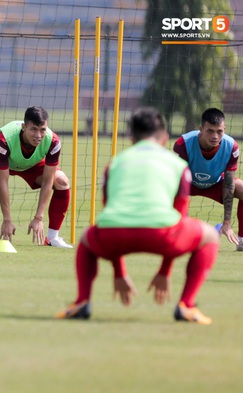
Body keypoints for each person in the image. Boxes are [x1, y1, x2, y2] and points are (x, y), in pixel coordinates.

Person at [56, 107, 220, 324]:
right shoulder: (179, 165)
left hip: (115, 235)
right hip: (162, 235)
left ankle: (82, 301)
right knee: (210, 236)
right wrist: (165, 271)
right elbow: (180, 218)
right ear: (163, 138)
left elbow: (110, 213)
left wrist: (119, 273)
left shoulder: (114, 164)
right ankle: (186, 305)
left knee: (86, 239)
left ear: (131, 138)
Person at [0, 106, 72, 248]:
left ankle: (52, 238)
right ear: (23, 127)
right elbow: (3, 181)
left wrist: (39, 218)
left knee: (61, 181)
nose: (38, 135)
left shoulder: (53, 142)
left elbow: (47, 181)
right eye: (33, 129)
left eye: (42, 130)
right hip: (4, 160)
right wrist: (7, 219)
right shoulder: (5, 138)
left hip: (32, 164)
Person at [173, 108, 243, 250]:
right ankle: (174, 230)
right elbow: (177, 182)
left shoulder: (232, 147)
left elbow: (229, 185)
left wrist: (227, 223)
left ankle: (242, 240)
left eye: (219, 131)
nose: (215, 136)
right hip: (188, 184)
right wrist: (184, 219)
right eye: (210, 131)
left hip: (215, 184)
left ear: (224, 129)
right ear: (201, 129)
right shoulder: (183, 144)